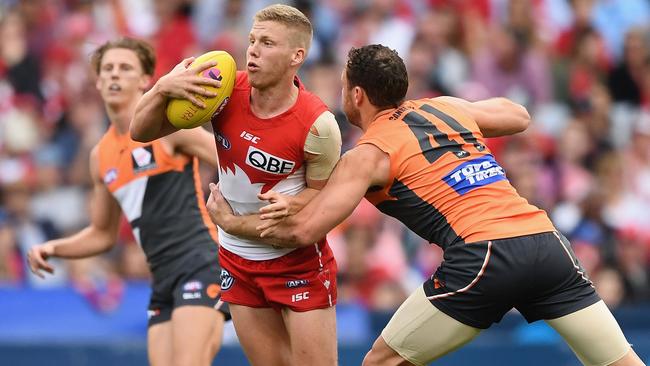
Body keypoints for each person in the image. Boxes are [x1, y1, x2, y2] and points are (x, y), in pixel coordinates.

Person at [218, 44, 645, 366]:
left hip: (484, 255)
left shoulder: (367, 156)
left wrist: (229, 223)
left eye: (345, 86)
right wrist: (463, 121)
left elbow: (305, 232)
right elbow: (518, 115)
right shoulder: (444, 109)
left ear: (358, 95)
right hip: (545, 243)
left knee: (381, 362)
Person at [130, 4, 342, 366]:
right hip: (237, 261)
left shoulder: (318, 125)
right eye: (252, 40)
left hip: (296, 264)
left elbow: (321, 200)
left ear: (297, 56)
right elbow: (141, 131)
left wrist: (289, 205)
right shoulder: (223, 92)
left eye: (267, 43)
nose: (253, 51)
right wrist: (163, 87)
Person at [26, 37, 229, 366]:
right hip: (161, 276)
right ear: (97, 80)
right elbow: (102, 234)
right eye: (107, 69)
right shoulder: (100, 156)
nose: (114, 76)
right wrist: (54, 248)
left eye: (124, 68)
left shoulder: (170, 129)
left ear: (146, 79)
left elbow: (230, 161)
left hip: (201, 261)